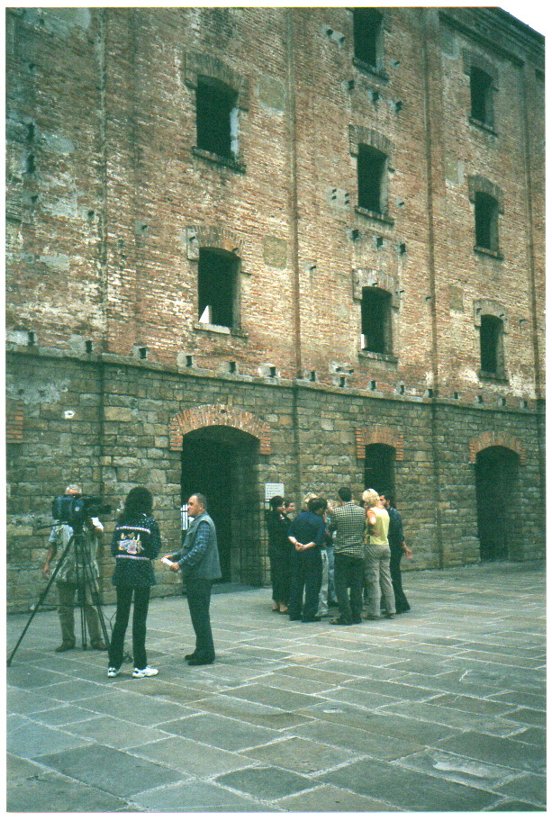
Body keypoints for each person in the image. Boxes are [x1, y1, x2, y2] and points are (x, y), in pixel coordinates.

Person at [42, 484, 106, 652]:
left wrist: (89, 524)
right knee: (64, 607)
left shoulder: (91, 517)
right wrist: (47, 563)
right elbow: (53, 544)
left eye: (77, 496)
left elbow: (100, 533)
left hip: (87, 567)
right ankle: (68, 640)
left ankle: (97, 639)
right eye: (69, 497)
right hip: (66, 568)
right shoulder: (60, 520)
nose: (73, 500)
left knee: (91, 605)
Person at [107, 486, 160, 678]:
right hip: (141, 574)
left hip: (122, 573)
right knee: (139, 620)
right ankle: (140, 665)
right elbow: (154, 550)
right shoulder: (149, 522)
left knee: (121, 619)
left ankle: (113, 665)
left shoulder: (121, 523)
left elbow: (114, 549)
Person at [164, 493, 221, 665]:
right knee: (198, 615)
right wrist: (174, 556)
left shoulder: (203, 523)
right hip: (197, 575)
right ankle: (200, 649)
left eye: (191, 504)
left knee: (200, 615)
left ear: (201, 506)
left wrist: (180, 564)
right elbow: (189, 547)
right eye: (188, 504)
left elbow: (199, 549)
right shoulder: (197, 522)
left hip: (200, 576)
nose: (188, 507)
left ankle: (206, 653)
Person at [329, 487, 366, 625]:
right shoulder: (361, 511)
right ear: (351, 496)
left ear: (339, 497)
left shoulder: (337, 512)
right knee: (357, 585)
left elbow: (331, 528)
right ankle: (357, 614)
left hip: (342, 552)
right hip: (358, 552)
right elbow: (363, 527)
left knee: (341, 585)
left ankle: (345, 615)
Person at [287, 497, 327, 623]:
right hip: (312, 555)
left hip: (296, 553)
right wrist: (305, 547)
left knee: (296, 583)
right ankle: (309, 614)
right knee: (312, 585)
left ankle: (294, 612)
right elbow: (318, 540)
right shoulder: (319, 520)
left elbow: (290, 533)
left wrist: (297, 544)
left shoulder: (299, 517)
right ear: (320, 508)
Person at [362, 488, 396, 620]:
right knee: (386, 578)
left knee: (373, 579)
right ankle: (391, 609)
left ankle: (374, 611)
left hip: (373, 545)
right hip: (385, 545)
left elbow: (372, 521)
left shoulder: (371, 511)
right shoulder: (384, 511)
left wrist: (370, 528)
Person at [381, 492, 413, 613]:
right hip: (390, 546)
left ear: (388, 501)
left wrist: (404, 547)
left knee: (394, 576)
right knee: (391, 576)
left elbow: (397, 533)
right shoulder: (385, 513)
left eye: (382, 500)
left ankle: (400, 603)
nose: (380, 502)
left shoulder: (393, 514)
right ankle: (398, 603)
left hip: (394, 548)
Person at [266, 495, 292, 613]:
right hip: (279, 550)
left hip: (282, 550)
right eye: (281, 505)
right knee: (280, 576)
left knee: (279, 576)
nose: (283, 507)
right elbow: (281, 531)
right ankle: (281, 602)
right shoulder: (273, 517)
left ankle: (277, 601)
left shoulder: (282, 516)